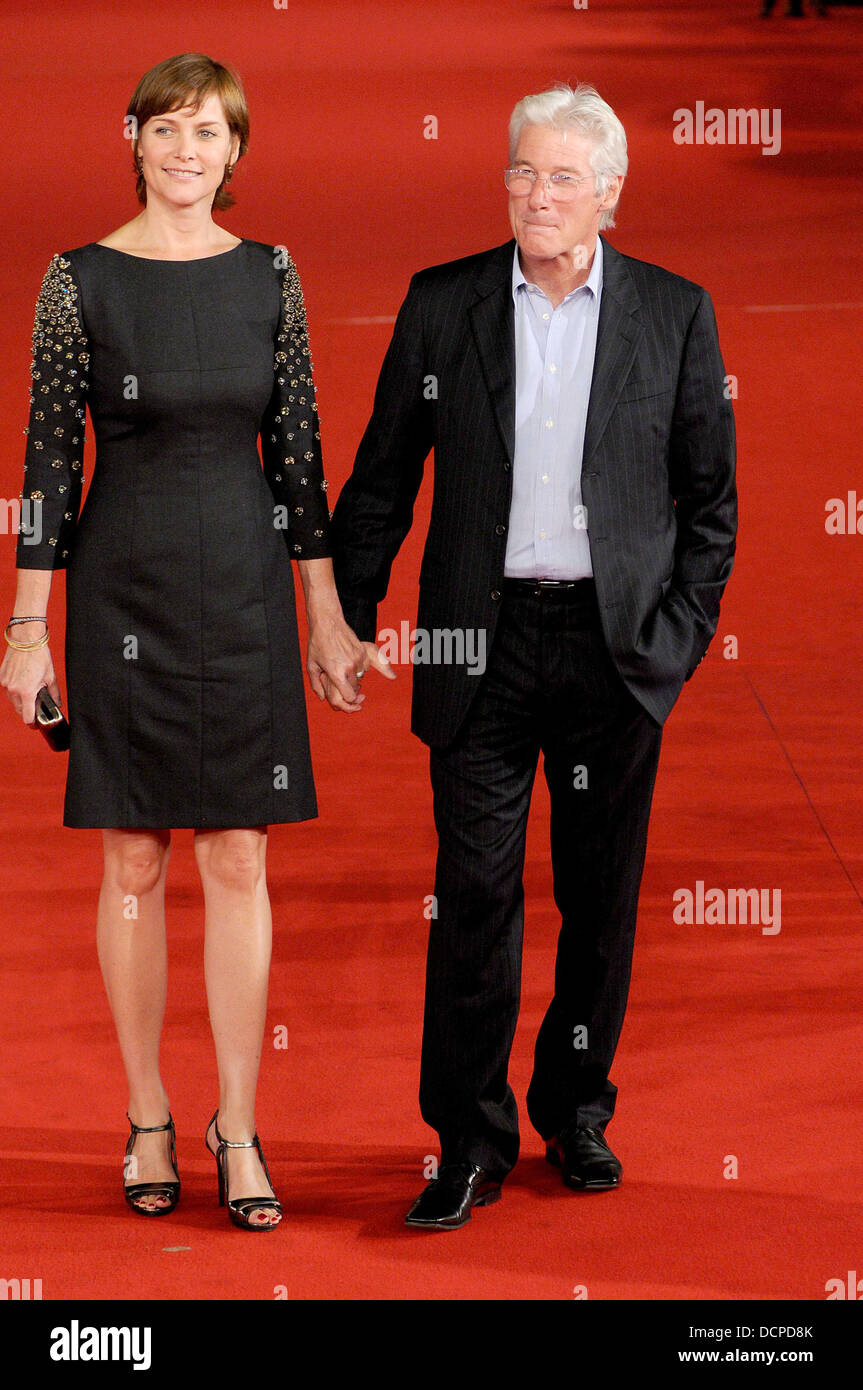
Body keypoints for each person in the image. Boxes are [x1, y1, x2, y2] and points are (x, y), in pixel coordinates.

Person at [331, 83, 737, 1230]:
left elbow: (710, 505)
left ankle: (574, 1107)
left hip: (613, 649)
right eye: (521, 172)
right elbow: (381, 476)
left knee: (597, 901)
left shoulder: (673, 313)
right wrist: (348, 615)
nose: (537, 195)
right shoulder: (440, 303)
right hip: (477, 637)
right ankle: (465, 1137)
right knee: (473, 894)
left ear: (609, 191)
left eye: (563, 177)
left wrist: (667, 645)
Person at [1, 53, 381, 1229]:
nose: (185, 150)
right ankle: (149, 1113)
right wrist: (27, 629)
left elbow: (302, 463)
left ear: (237, 152)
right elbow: (49, 469)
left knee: (239, 857)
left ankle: (238, 1121)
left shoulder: (272, 275)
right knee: (130, 860)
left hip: (244, 591)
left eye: (208, 132)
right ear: (132, 138)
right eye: (165, 129)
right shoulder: (77, 282)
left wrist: (323, 613)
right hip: (125, 590)